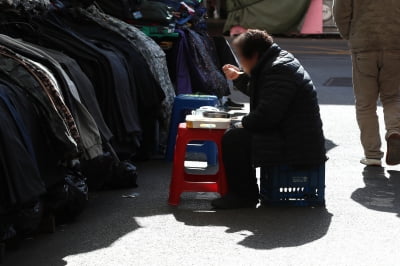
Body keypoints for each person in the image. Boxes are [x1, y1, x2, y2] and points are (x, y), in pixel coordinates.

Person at [211, 29, 326, 209]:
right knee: (236, 132)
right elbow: (267, 94)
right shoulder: (275, 61)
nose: (241, 63)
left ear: (254, 55)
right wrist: (239, 78)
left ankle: (243, 196)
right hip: (289, 132)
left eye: (242, 58)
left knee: (234, 139)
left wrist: (242, 123)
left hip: (295, 142)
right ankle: (243, 193)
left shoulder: (278, 69)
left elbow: (267, 115)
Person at [333, 0, 400, 166]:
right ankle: (394, 130)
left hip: (364, 44)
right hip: (395, 44)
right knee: (391, 97)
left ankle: (372, 155)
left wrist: (349, 35)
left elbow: (340, 11)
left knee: (365, 104)